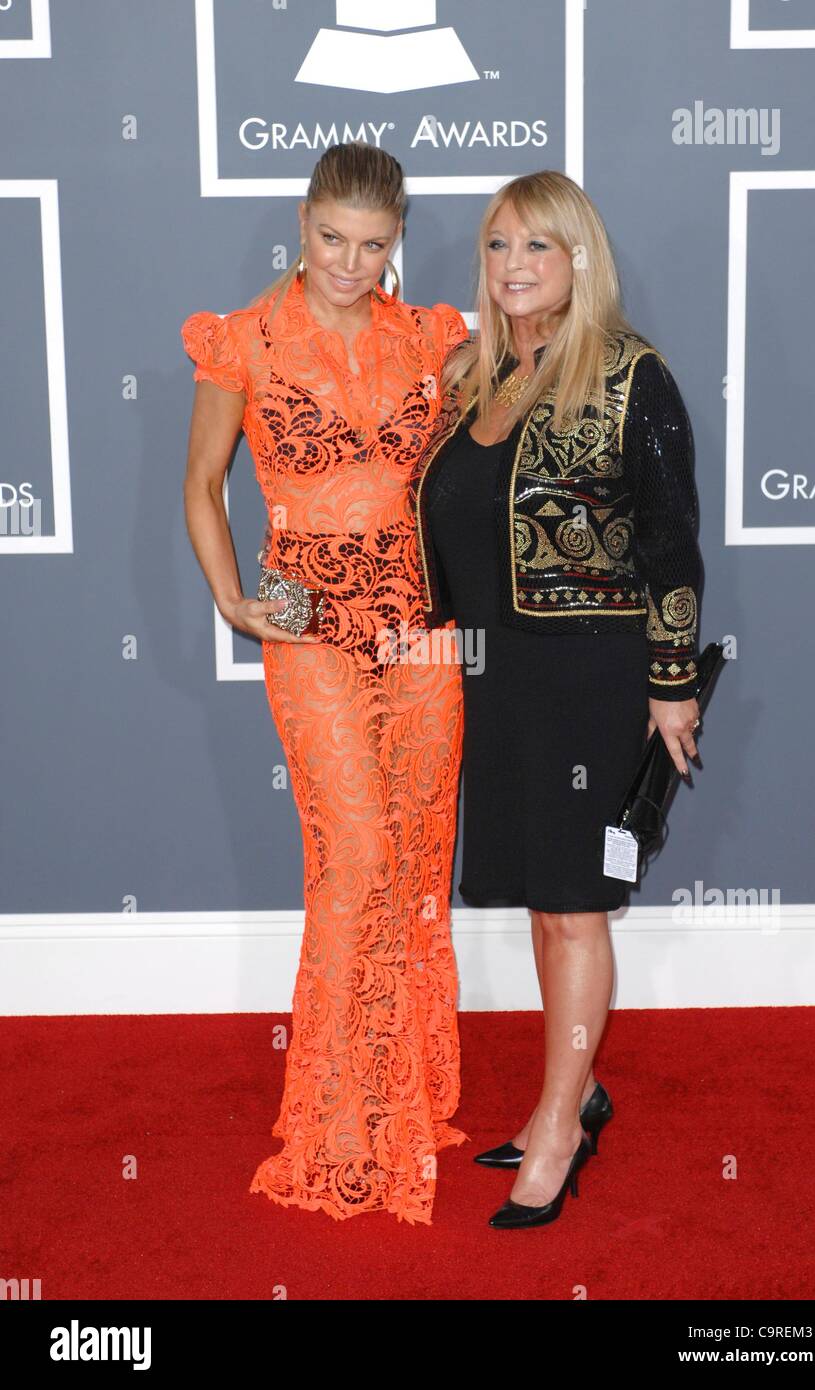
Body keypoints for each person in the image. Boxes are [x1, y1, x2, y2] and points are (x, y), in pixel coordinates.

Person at [180, 142, 469, 1225]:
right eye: (331, 240)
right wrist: (231, 599)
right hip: (306, 623)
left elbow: (459, 478)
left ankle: (408, 1098)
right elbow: (201, 486)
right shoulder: (242, 341)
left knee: (414, 852)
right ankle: (342, 1125)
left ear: (398, 237)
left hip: (420, 627)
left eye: (374, 244)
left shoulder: (428, 336)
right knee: (350, 854)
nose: (350, 264)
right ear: (301, 223)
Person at [412, 170, 703, 1229]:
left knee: (575, 909)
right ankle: (571, 1088)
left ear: (579, 259)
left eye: (538, 245)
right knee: (545, 900)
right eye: (497, 245)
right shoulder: (472, 376)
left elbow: (671, 540)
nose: (513, 265)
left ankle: (556, 1127)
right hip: (495, 680)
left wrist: (669, 688)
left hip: (587, 676)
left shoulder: (630, 378)